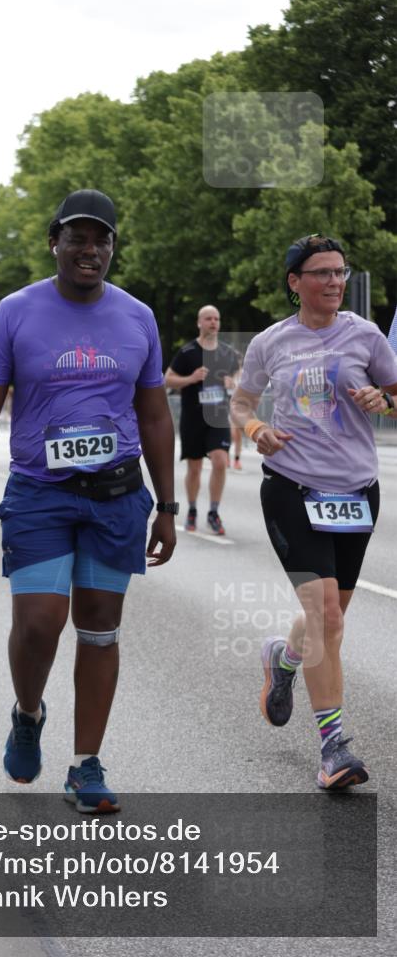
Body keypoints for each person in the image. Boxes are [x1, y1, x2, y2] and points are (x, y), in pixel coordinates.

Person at [0, 189, 177, 813]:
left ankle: (86, 765)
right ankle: (28, 713)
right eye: (78, 238)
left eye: (101, 239)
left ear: (112, 247)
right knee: (38, 623)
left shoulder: (137, 316)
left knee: (100, 631)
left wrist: (168, 507)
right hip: (40, 492)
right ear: (55, 241)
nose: (90, 250)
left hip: (116, 495)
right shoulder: (16, 311)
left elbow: (155, 415)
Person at [231, 234, 397, 790]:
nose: (333, 282)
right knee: (327, 614)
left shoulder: (366, 335)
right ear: (294, 282)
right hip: (292, 489)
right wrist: (256, 427)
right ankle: (333, 748)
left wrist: (386, 400)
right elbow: (241, 402)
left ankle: (284, 659)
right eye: (322, 272)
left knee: (331, 616)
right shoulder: (270, 342)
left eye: (340, 272)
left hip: (356, 494)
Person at [165, 306, 240, 534]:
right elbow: (167, 379)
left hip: (218, 418)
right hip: (193, 417)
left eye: (216, 318)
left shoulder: (227, 352)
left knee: (220, 461)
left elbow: (238, 374)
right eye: (208, 318)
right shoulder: (187, 352)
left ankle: (213, 512)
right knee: (195, 467)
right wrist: (191, 378)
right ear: (199, 323)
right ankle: (192, 509)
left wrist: (233, 382)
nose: (213, 322)